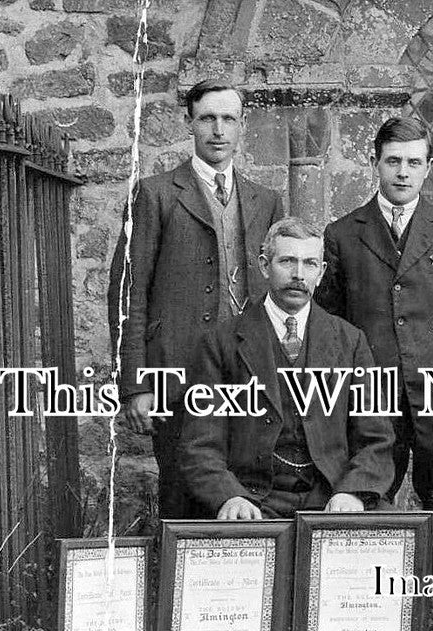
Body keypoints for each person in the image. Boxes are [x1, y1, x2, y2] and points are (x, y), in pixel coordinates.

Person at [107, 78, 284, 518]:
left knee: (251, 489)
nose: (218, 130)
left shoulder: (266, 200)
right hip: (179, 372)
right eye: (207, 118)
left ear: (243, 127)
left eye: (228, 119)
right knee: (183, 490)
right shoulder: (156, 194)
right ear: (190, 124)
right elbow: (129, 294)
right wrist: (135, 385)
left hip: (250, 372)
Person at [318, 117, 433, 511]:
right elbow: (331, 318)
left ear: (428, 167)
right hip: (372, 391)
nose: (403, 172)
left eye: (413, 163)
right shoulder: (342, 234)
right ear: (374, 162)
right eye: (393, 161)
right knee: (371, 495)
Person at [179, 218, 395, 519]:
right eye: (287, 261)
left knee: (392, 542)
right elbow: (200, 444)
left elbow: (376, 438)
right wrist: (229, 497)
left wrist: (352, 491)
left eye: (309, 264)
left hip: (331, 493)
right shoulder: (222, 342)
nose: (298, 275)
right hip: (254, 498)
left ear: (321, 273)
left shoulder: (350, 341)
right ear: (265, 266)